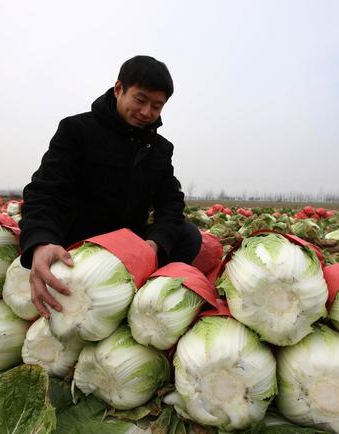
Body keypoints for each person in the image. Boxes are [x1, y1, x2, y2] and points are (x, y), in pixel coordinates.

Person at [19, 55, 202, 318]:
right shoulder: (77, 130)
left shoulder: (160, 149)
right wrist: (41, 242)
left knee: (187, 235)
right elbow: (46, 190)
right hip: (79, 244)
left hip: (128, 246)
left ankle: (145, 299)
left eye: (157, 106)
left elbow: (171, 201)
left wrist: (154, 243)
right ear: (118, 89)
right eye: (140, 100)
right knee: (48, 242)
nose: (147, 112)